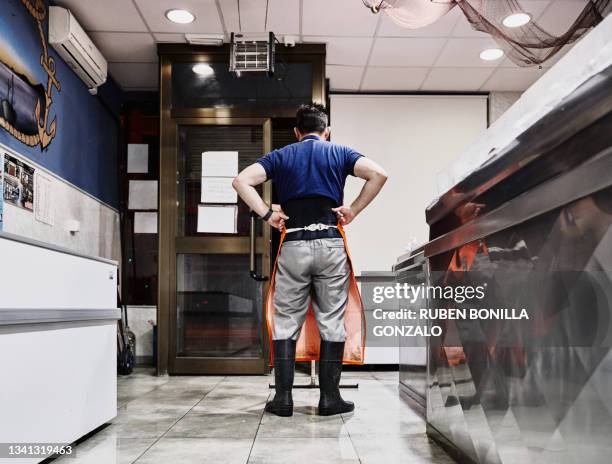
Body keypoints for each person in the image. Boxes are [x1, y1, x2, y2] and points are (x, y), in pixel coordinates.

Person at [232, 103, 387, 416]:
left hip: (294, 243)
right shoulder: (339, 152)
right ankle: (330, 399)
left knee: (287, 319)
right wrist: (353, 210)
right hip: (330, 242)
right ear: (325, 131)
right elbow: (379, 174)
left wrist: (267, 214)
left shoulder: (282, 155)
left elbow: (241, 181)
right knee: (332, 319)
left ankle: (283, 399)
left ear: (297, 132)